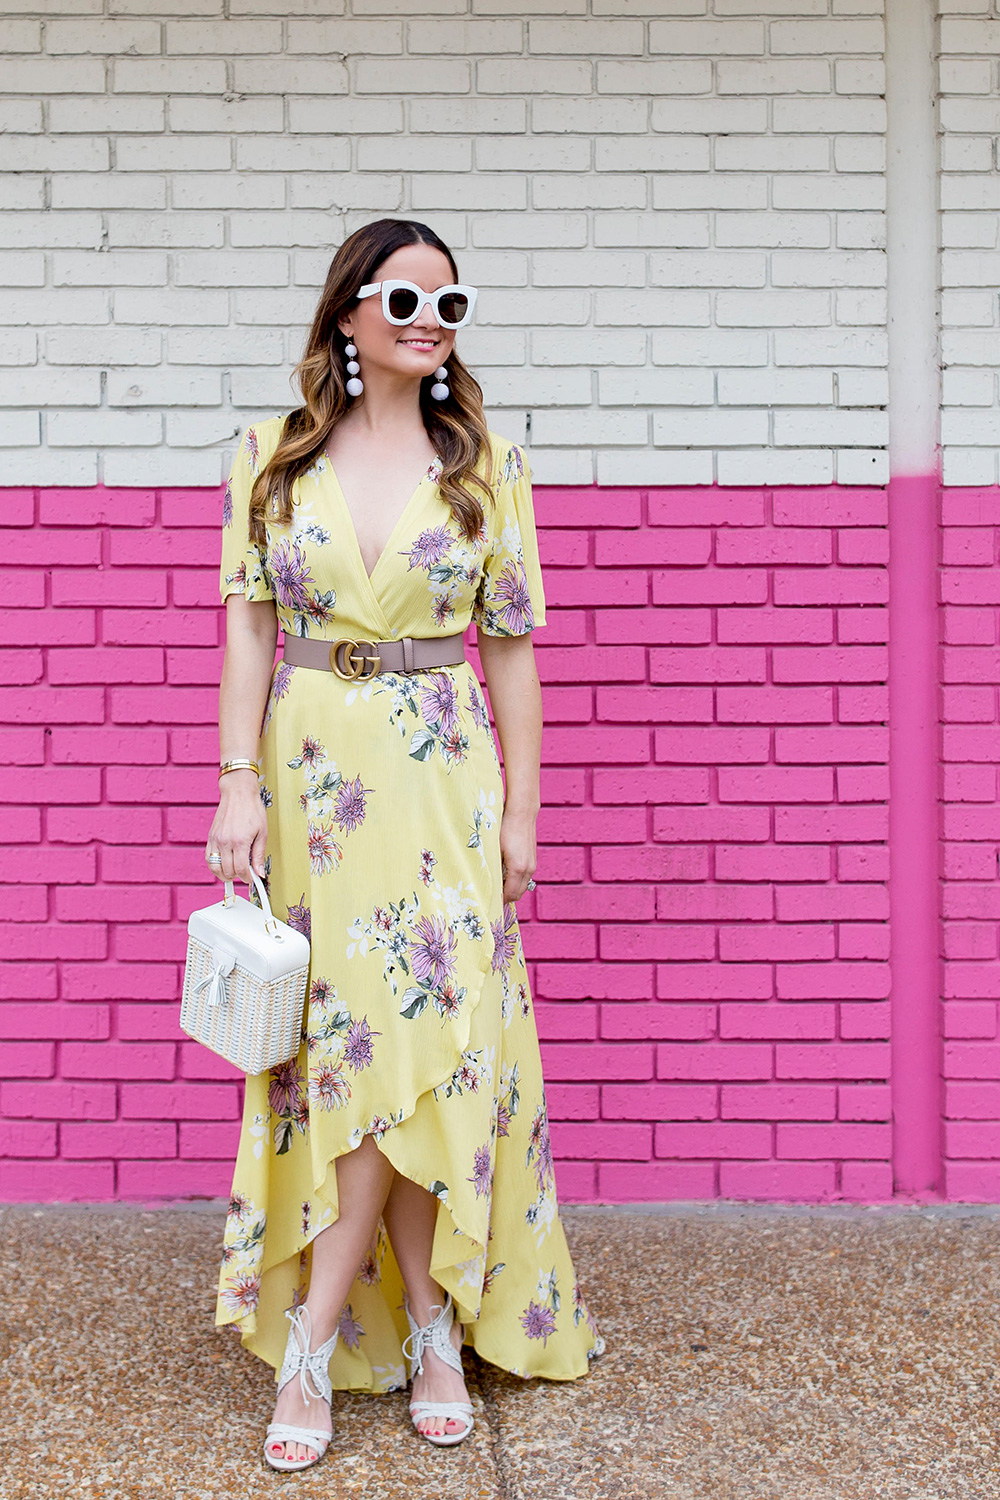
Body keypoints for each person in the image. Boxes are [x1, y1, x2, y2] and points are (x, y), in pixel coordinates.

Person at [206, 217, 604, 1473]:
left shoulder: (485, 461)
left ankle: (324, 1337)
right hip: (316, 777)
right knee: (356, 1054)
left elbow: (515, 653)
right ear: (346, 316)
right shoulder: (267, 460)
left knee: (429, 1050)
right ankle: (426, 1325)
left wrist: (526, 815)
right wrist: (234, 786)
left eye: (451, 303)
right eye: (403, 298)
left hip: (443, 782)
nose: (430, 320)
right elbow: (249, 635)